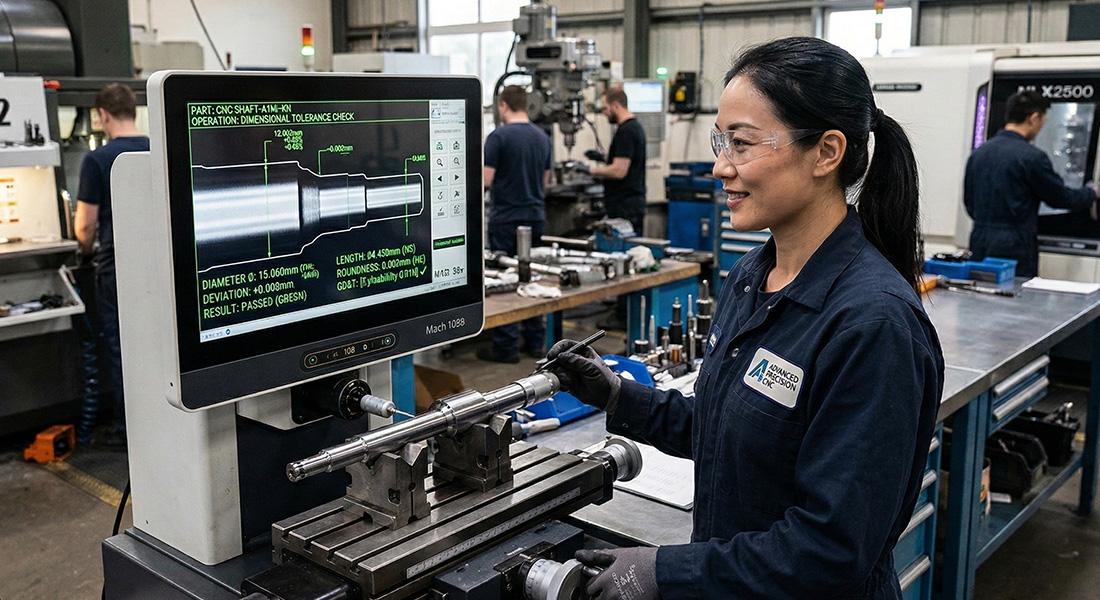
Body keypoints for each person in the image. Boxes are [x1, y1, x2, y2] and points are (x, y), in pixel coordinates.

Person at [548, 37, 945, 599]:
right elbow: (732, 430)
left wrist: (666, 571)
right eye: (721, 141)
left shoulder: (873, 325)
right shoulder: (752, 277)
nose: (719, 166)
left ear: (826, 153)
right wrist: (619, 396)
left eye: (741, 144)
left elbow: (831, 550)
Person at [74, 84, 150, 445]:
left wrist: (84, 253)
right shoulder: (158, 146)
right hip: (159, 269)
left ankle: (128, 431)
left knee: (124, 349)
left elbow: (85, 226)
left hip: (117, 271)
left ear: (103, 115)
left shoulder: (98, 159)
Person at [964, 90, 1100, 278]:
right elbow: (1061, 197)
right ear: (1034, 118)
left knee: (980, 293)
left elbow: (969, 203)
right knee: (1015, 299)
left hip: (979, 240)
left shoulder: (979, 154)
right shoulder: (1031, 157)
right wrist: (1091, 192)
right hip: (1014, 246)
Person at [477, 85, 552, 363]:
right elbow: (545, 181)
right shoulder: (542, 137)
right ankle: (535, 342)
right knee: (531, 277)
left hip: (505, 218)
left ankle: (506, 348)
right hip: (535, 216)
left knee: (505, 281)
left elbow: (486, 180)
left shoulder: (498, 137)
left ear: (503, 105)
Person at [591, 87, 647, 236]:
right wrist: (603, 157)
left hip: (625, 208)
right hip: (631, 204)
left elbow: (618, 171)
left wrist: (590, 170)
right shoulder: (634, 127)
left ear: (616, 105)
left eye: (605, 108)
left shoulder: (626, 132)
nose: (604, 113)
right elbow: (627, 156)